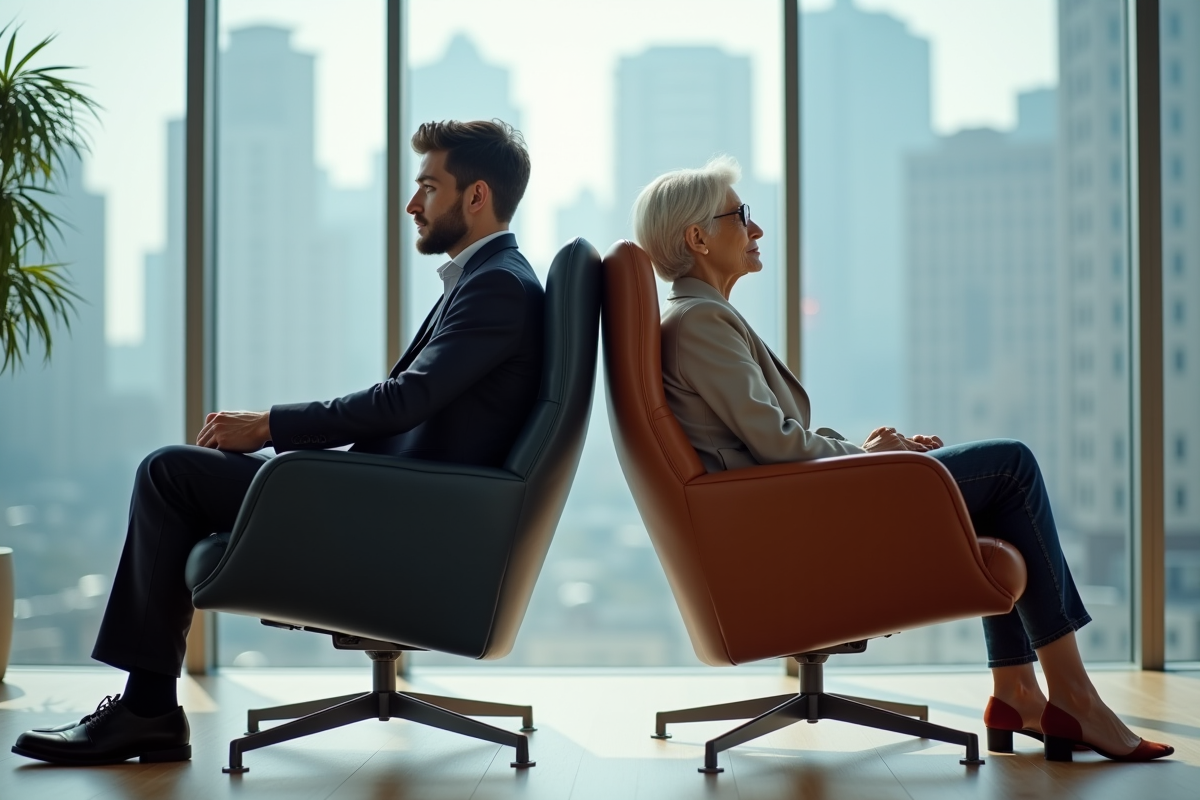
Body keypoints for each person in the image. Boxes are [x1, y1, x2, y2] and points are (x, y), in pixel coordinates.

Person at [12, 119, 544, 766]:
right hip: (398, 501)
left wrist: (270, 425)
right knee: (184, 474)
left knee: (168, 474)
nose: (413, 204)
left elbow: (406, 402)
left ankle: (146, 711)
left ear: (476, 196)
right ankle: (146, 709)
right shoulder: (488, 278)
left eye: (428, 188)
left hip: (404, 517)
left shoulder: (497, 286)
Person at [631, 155, 1172, 763]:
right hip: (791, 526)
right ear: (697, 237)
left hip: (784, 513)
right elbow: (780, 446)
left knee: (993, 489)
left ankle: (1018, 692)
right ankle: (1070, 695)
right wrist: (874, 463)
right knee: (1011, 468)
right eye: (742, 215)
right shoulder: (701, 322)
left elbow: (771, 441)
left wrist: (868, 455)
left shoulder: (697, 317)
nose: (756, 230)